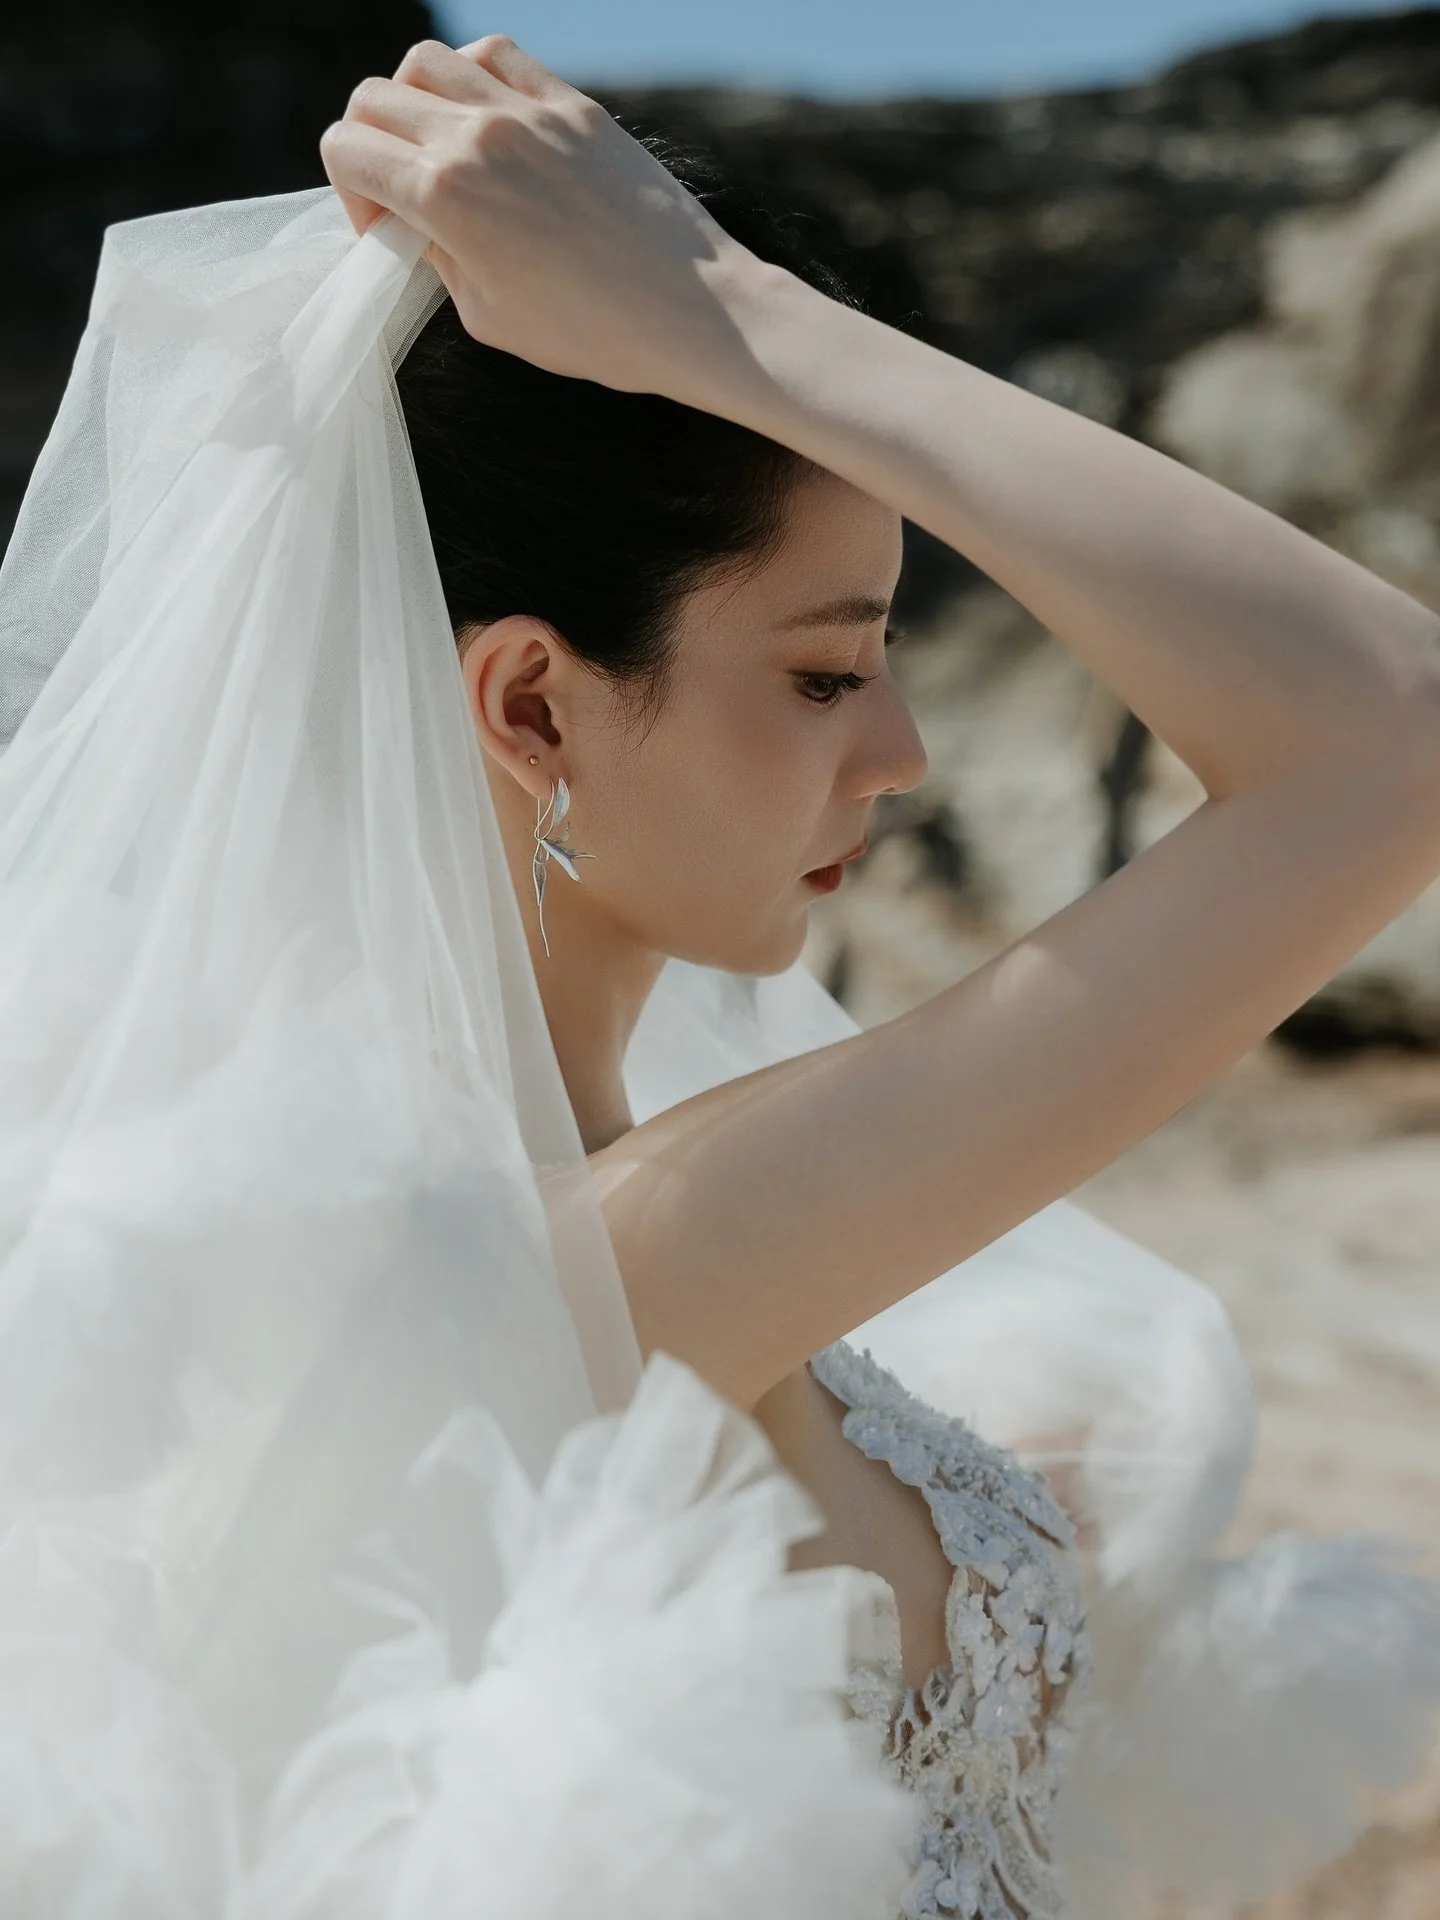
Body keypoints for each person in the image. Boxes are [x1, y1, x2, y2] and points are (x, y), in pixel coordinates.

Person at [0, 29, 1436, 1920]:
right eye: (828, 673)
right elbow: (1388, 746)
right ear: (532, 702)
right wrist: (735, 319)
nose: (904, 751)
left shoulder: (639, 1224)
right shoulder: (589, 1268)